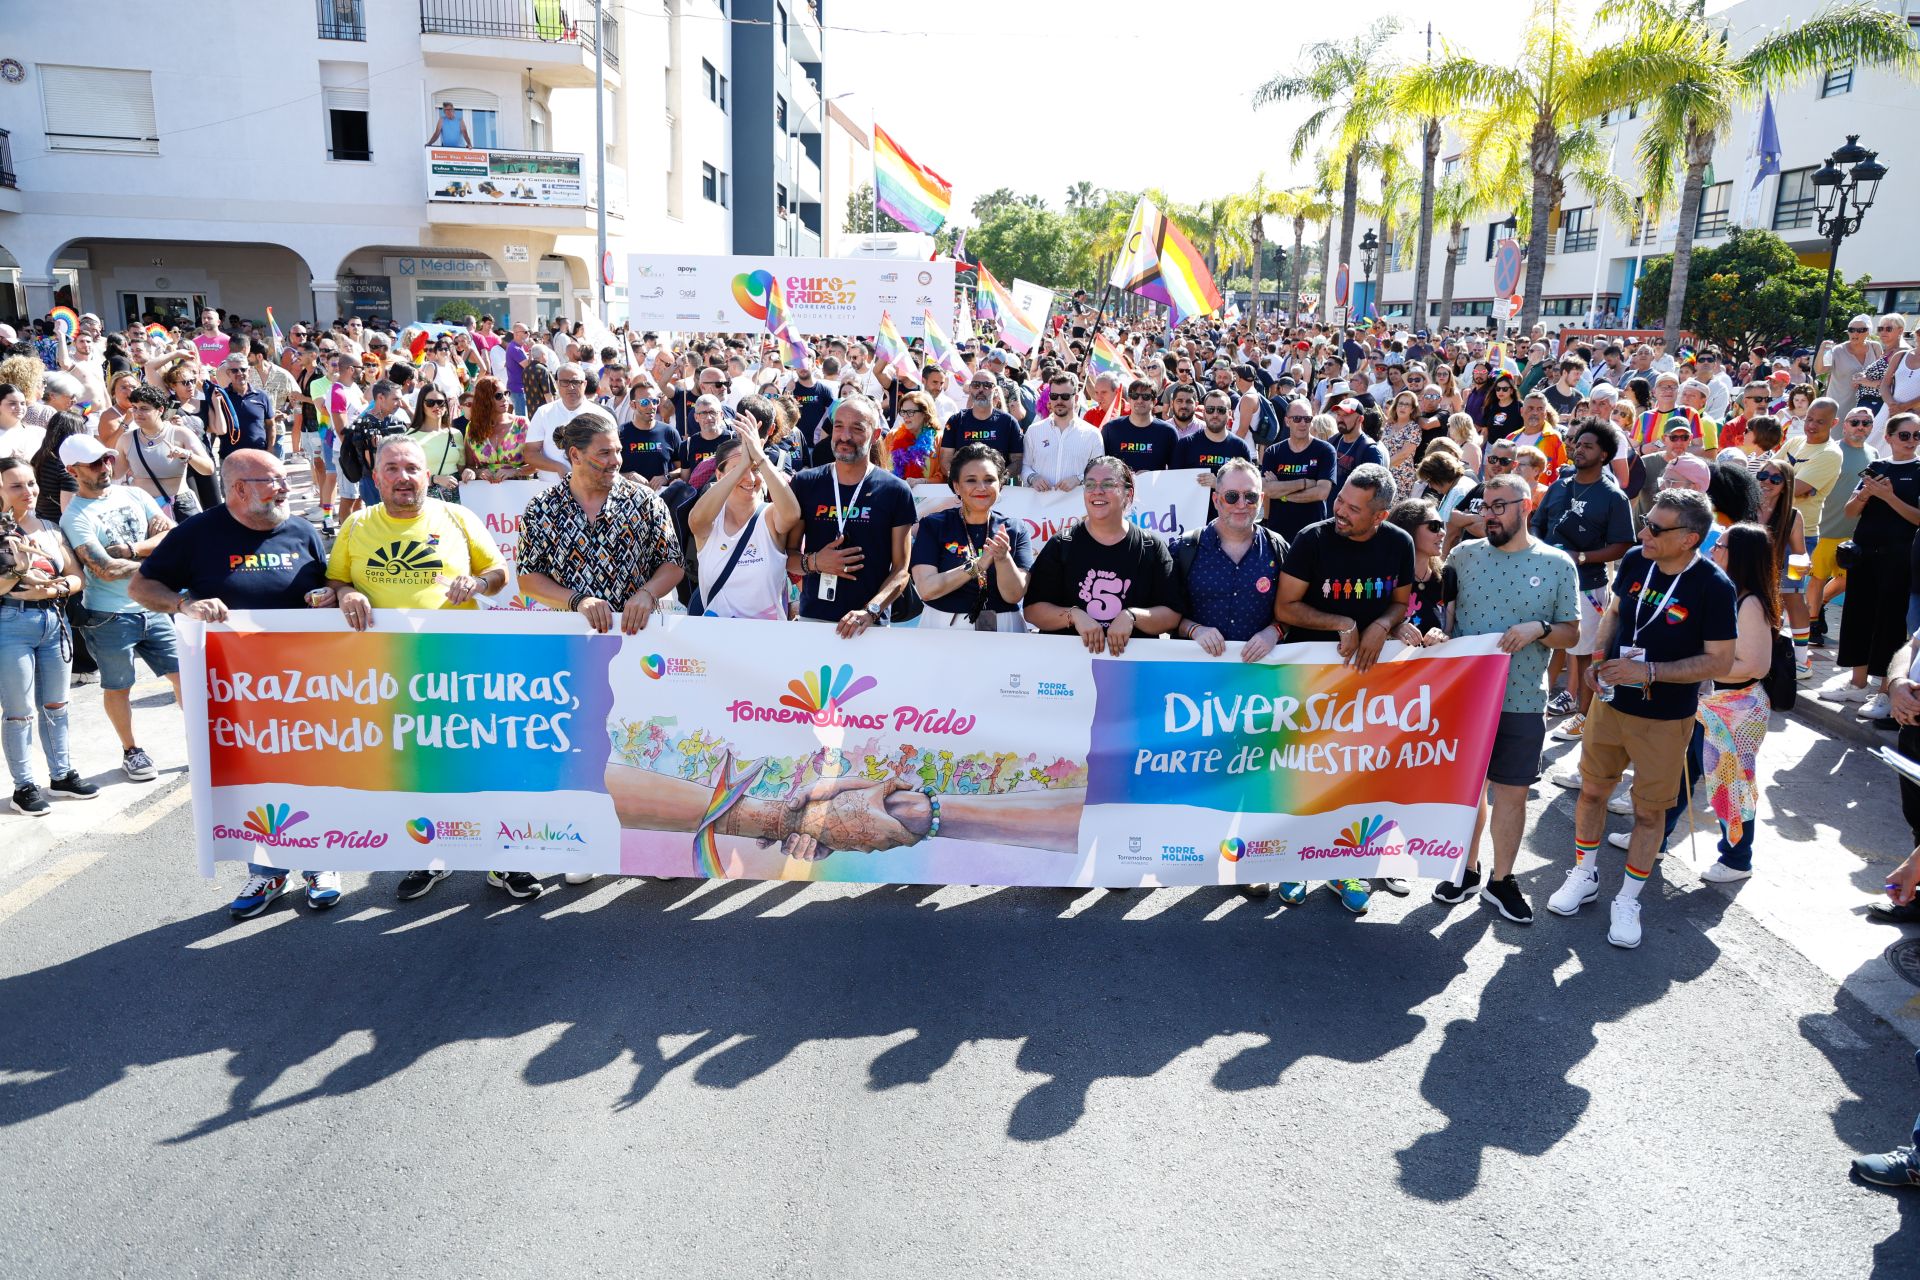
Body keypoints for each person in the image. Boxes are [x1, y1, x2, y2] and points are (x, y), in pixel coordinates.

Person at [130, 449, 337, 916]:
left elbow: (333, 585)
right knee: (251, 781)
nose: (285, 487)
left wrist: (331, 593)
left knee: (313, 775)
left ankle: (320, 863)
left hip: (308, 686)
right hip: (234, 692)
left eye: (285, 477)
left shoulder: (303, 531)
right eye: (273, 480)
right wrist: (184, 605)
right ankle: (265, 873)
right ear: (239, 489)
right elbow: (142, 587)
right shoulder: (197, 534)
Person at [328, 438, 525, 901]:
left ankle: (505, 861)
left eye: (412, 468)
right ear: (375, 478)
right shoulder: (356, 525)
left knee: (481, 762)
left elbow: (497, 573)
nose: (403, 477)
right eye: (392, 469)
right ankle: (431, 856)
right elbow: (335, 578)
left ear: (427, 474)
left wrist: (477, 582)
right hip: (388, 671)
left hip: (460, 664)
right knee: (418, 769)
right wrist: (343, 593)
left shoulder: (456, 517)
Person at [1550, 489, 1737, 950]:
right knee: (1592, 791)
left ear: (1690, 538)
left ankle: (1629, 898)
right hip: (1612, 703)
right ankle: (1584, 874)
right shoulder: (1636, 560)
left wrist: (1649, 671)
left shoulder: (1714, 586)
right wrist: (1597, 658)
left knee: (1649, 812)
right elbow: (1614, 611)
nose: (1642, 532)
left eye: (1656, 527)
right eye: (1645, 521)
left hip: (1665, 717)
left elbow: (1719, 661)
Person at [1426, 471, 1582, 923]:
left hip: (1522, 700)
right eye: (1483, 506)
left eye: (1498, 506)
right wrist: (1438, 634)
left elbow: (1571, 634)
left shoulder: (1557, 564)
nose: (1488, 515)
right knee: (1467, 792)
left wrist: (1542, 629)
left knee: (1511, 795)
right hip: (1464, 698)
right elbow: (1445, 619)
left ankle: (1502, 879)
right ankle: (1465, 869)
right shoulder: (1461, 556)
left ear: (1525, 506)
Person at [1272, 463, 1416, 915]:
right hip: (1309, 678)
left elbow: (1400, 603)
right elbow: (1286, 606)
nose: (1340, 512)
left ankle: (1346, 865)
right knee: (1304, 772)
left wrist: (1382, 623)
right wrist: (1343, 622)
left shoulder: (1399, 544)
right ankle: (1294, 861)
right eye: (1341, 502)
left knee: (1356, 776)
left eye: (1354, 509)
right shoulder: (1312, 539)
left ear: (1381, 515)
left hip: (1369, 684)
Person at [1601, 522, 1778, 883]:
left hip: (1736, 708)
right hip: (1708, 702)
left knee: (1730, 783)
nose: (1715, 551)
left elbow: (1755, 665)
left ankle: (1737, 860)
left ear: (1741, 556)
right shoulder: (1721, 593)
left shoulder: (1750, 603)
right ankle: (1658, 839)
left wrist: (1699, 664)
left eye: (1723, 546)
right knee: (1683, 774)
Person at [58, 435, 179, 783]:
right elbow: (105, 569)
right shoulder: (75, 517)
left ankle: (204, 741)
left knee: (183, 675)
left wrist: (129, 549)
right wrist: (154, 558)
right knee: (118, 687)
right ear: (73, 470)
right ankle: (132, 751)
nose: (105, 467)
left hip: (152, 605)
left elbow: (172, 538)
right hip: (109, 616)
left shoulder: (135, 494)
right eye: (94, 463)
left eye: (107, 459)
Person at [0, 454, 94, 815]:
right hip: (12, 624)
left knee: (57, 704)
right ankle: (24, 787)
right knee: (19, 711)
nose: (28, 491)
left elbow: (76, 577)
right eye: (17, 485)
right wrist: (18, 571)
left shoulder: (50, 528)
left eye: (32, 483)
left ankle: (61, 774)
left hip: (54, 622)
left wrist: (50, 591)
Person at [1532, 420, 1635, 740]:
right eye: (1577, 443)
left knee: (1585, 652)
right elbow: (1536, 523)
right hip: (1545, 579)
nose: (1579, 449)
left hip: (1587, 584)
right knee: (1539, 642)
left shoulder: (1612, 496)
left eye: (1588, 445)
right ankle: (1534, 705)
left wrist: (1581, 557)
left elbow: (1623, 544)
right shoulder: (1559, 486)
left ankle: (1583, 715)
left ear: (1604, 454)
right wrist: (1538, 548)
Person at [788, 396, 916, 638]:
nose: (844, 436)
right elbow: (788, 557)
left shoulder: (895, 490)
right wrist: (815, 562)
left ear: (876, 434)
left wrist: (870, 611)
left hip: (870, 626)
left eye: (857, 428)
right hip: (813, 619)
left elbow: (901, 570)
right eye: (839, 426)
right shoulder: (805, 483)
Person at [1024, 455, 1178, 653]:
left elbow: (1172, 614)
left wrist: (1132, 616)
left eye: (1108, 484)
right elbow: (1033, 611)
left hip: (1131, 671)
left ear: (1128, 494)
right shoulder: (1062, 543)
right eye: (1090, 485)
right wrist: (1073, 615)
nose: (1097, 491)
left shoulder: (1150, 546)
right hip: (1066, 670)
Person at [1829, 413, 1920, 720]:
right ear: (1890, 437)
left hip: (1900, 558)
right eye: (1904, 435)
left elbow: (1918, 518)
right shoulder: (1877, 467)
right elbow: (1850, 509)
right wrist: (1867, 493)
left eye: (1916, 436)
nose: (1911, 441)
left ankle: (1883, 692)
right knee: (1858, 616)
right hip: (1865, 553)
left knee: (1890, 623)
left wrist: (1888, 497)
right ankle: (1857, 682)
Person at [1168, 458, 1285, 661]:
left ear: (1262, 498)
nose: (1241, 504)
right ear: (1216, 500)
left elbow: (1294, 607)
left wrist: (1274, 632)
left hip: (1259, 679)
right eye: (1231, 497)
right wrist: (1193, 629)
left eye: (1251, 496)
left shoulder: (1278, 547)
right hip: (1196, 674)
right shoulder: (1185, 548)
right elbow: (1164, 611)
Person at [911, 443, 1033, 631]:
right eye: (971, 480)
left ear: (1000, 485)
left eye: (989, 479)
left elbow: (1014, 595)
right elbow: (927, 589)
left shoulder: (1016, 529)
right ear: (956, 486)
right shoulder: (933, 525)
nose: (981, 487)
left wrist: (1003, 558)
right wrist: (976, 567)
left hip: (1004, 629)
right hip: (943, 628)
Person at [687, 430, 801, 620]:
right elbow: (696, 521)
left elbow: (792, 514)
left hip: (765, 642)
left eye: (755, 469)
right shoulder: (711, 519)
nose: (749, 478)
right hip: (715, 642)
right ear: (719, 474)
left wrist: (761, 458)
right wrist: (744, 465)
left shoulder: (770, 515)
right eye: (738, 469)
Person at [1808, 406, 1876, 648]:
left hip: (1855, 533)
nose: (1860, 426)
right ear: (1844, 425)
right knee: (1818, 577)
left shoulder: (1874, 454)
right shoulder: (1831, 451)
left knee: (1848, 579)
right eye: (1855, 421)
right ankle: (1812, 622)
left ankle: (1820, 605)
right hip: (1824, 527)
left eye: (1866, 422)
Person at [1261, 397, 1337, 543]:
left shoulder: (1325, 450)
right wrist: (1304, 483)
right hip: (1279, 532)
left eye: (1307, 419)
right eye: (1297, 419)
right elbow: (1267, 490)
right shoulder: (1273, 452)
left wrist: (1282, 494)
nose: (1303, 423)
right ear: (1287, 421)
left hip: (1312, 532)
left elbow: (1321, 493)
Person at [1023, 371, 1103, 491]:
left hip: (1077, 506)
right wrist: (1033, 478)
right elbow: (1025, 466)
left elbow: (1099, 472)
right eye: (1054, 396)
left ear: (1075, 398)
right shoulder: (1034, 431)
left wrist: (1078, 479)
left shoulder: (1092, 434)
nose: (1059, 401)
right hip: (1039, 505)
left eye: (1065, 396)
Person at [1386, 497, 1452, 642]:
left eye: (1443, 525)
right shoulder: (1383, 579)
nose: (1442, 533)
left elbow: (1452, 632)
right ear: (1409, 529)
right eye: (1434, 526)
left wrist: (1443, 636)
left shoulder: (1447, 577)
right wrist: (1392, 629)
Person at [940, 370, 1023, 479]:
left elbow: (1018, 461)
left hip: (998, 489)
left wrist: (999, 479)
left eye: (987, 385)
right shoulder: (955, 421)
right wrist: (961, 480)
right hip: (964, 489)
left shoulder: (1009, 422)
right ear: (970, 389)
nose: (981, 389)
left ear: (995, 390)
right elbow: (945, 460)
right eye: (976, 385)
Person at [460, 375, 534, 483]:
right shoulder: (473, 427)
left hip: (519, 489)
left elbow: (537, 464)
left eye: (506, 393)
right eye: (498, 396)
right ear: (484, 400)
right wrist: (478, 472)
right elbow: (469, 466)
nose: (505, 399)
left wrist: (516, 471)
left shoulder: (521, 424)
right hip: (486, 491)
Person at [1100, 378, 1179, 473]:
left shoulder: (1168, 432)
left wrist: (1151, 476)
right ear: (1129, 399)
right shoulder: (1110, 429)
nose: (1140, 400)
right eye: (1135, 396)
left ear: (1154, 401)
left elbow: (1175, 471)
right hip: (1119, 487)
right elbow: (1101, 467)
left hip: (1154, 487)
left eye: (1146, 396)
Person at [1171, 390, 1254, 480]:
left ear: (1229, 414)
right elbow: (1175, 482)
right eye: (1210, 409)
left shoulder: (1240, 447)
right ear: (1204, 413)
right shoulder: (1186, 444)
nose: (1215, 414)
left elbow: (1247, 485)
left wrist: (1218, 484)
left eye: (1221, 410)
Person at [406, 382, 465, 501]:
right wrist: (435, 479)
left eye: (440, 402)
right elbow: (407, 475)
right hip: (428, 497)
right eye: (430, 403)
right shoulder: (410, 438)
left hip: (457, 496)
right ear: (421, 405)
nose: (436, 406)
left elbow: (462, 468)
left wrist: (469, 472)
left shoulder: (455, 434)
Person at [1817, 314, 1884, 417]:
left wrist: (1866, 379)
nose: (1855, 333)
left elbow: (1883, 373)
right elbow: (1820, 370)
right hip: (1839, 407)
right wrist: (1822, 350)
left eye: (1860, 330)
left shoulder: (1875, 347)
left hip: (1866, 406)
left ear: (1868, 332)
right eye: (1851, 330)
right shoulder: (1836, 350)